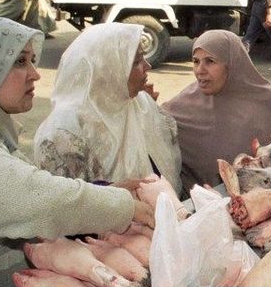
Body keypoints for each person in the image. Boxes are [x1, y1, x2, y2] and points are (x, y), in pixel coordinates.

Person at [0, 17, 155, 287]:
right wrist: (126, 206)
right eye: (19, 62)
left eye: (31, 60)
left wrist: (107, 190)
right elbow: (37, 199)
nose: (35, 74)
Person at [33, 23, 182, 195]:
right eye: (136, 62)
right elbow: (67, 204)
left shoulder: (141, 105)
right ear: (107, 70)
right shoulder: (62, 134)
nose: (148, 66)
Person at [163, 30, 271, 192]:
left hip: (260, 203)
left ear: (232, 64)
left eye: (210, 61)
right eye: (196, 61)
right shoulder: (188, 101)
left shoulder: (265, 102)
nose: (200, 70)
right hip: (204, 204)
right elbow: (156, 121)